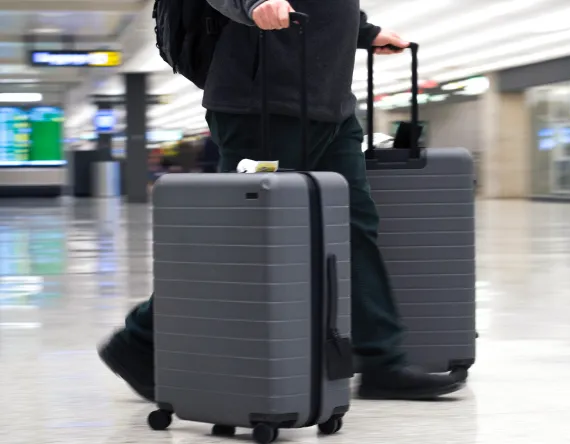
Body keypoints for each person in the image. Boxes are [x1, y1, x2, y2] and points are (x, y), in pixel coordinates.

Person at [97, 0, 465, 402]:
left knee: (353, 228)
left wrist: (363, 31)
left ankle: (381, 361)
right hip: (261, 101)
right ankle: (139, 341)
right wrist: (252, 3)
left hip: (330, 105)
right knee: (243, 236)